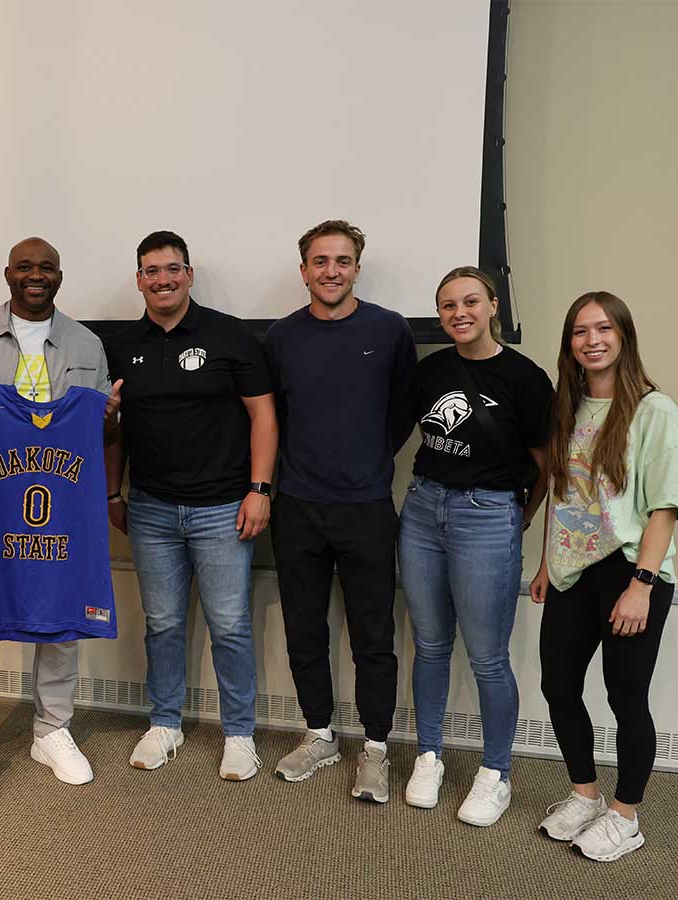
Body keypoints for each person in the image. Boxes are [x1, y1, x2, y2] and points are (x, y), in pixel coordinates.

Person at [0, 236, 119, 820]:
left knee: (61, 623)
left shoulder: (88, 342)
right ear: (7, 273)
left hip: (61, 512)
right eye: (24, 267)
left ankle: (52, 731)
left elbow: (100, 432)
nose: (35, 276)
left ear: (59, 276)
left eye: (46, 268)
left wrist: (109, 422)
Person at [105, 230, 277, 781]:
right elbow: (114, 429)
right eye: (151, 271)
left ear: (189, 274)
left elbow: (264, 417)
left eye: (172, 269)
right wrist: (114, 491)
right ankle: (165, 722)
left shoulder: (231, 336)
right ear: (139, 280)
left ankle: (240, 734)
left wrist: (260, 490)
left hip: (224, 508)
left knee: (229, 624)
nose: (163, 279)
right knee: (162, 623)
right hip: (152, 508)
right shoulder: (122, 345)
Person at [531, 291, 678, 862]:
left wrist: (642, 584)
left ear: (624, 335)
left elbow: (665, 508)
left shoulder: (654, 410)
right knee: (557, 686)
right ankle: (585, 796)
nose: (591, 340)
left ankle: (626, 817)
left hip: (630, 572)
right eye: (579, 331)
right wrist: (548, 561)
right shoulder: (566, 408)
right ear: (569, 344)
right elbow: (561, 491)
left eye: (603, 328)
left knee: (626, 695)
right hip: (573, 570)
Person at [263, 220, 415, 801]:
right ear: (303, 270)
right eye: (320, 261)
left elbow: (404, 412)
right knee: (305, 629)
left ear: (356, 268)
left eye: (343, 261)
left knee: (372, 635)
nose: (331, 271)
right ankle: (320, 734)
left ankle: (375, 747)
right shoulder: (280, 338)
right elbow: (272, 415)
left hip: (367, 506)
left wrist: (366, 458)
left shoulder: (391, 330)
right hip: (298, 505)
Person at [396, 267, 553, 824]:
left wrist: (517, 516)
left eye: (469, 302)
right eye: (446, 306)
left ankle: (496, 772)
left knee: (488, 658)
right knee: (431, 645)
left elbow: (543, 465)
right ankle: (429, 755)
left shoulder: (525, 377)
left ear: (492, 305)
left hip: (488, 514)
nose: (458, 313)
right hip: (422, 511)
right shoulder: (431, 370)